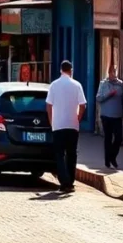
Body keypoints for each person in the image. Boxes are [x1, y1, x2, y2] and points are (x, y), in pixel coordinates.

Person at [46, 60, 87, 193]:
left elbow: (49, 105)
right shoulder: (77, 85)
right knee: (72, 154)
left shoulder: (53, 85)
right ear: (71, 70)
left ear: (60, 70)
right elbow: (83, 105)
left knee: (59, 154)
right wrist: (78, 118)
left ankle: (64, 182)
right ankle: (70, 181)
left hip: (58, 125)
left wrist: (51, 121)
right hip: (72, 125)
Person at [95, 65, 123, 168]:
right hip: (106, 116)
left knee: (119, 138)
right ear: (108, 73)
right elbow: (98, 98)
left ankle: (112, 156)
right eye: (111, 72)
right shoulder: (103, 84)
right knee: (108, 138)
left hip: (117, 115)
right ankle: (107, 161)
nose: (113, 74)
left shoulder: (121, 84)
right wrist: (109, 94)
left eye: (114, 72)